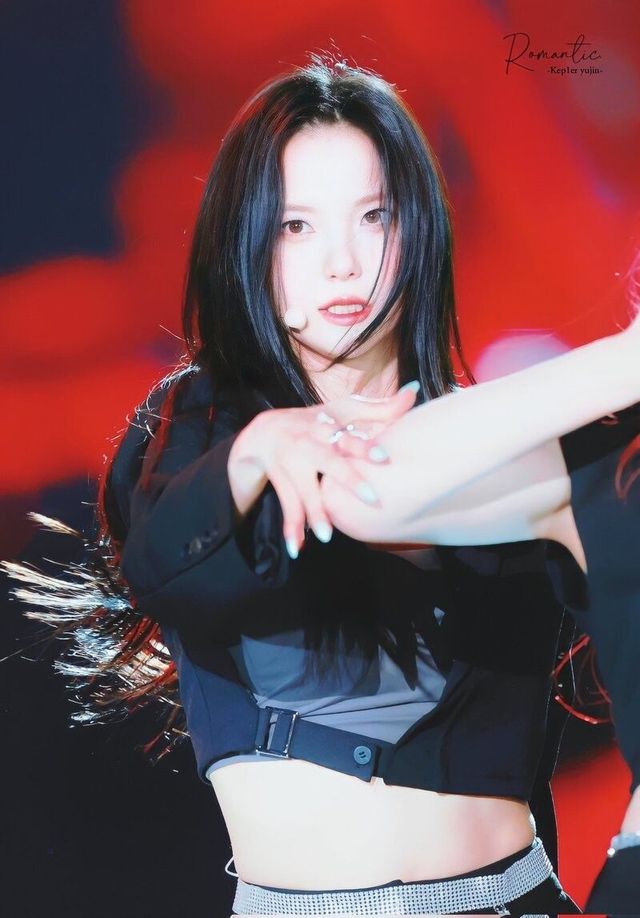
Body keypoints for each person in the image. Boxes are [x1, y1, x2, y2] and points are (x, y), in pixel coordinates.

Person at [5, 56, 639, 917]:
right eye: (296, 226)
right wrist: (255, 455)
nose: (342, 262)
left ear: (419, 229)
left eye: (375, 217)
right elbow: (162, 566)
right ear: (247, 242)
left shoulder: (504, 444)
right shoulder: (201, 427)